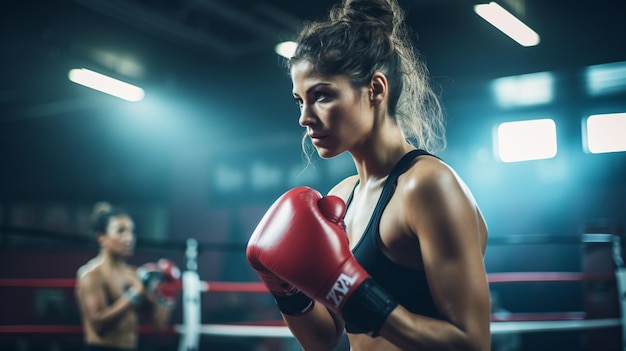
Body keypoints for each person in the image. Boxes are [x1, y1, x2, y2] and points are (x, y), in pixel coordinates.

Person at [246, 0, 491, 350]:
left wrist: (362, 299)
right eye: (299, 100)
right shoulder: (342, 196)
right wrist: (287, 292)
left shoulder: (427, 186)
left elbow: (473, 343)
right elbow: (325, 338)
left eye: (322, 96)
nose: (305, 117)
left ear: (376, 89)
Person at [75, 202, 180, 351]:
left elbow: (157, 324)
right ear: (101, 238)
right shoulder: (91, 275)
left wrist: (167, 294)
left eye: (131, 231)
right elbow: (98, 326)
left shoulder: (134, 275)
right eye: (121, 231)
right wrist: (133, 295)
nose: (129, 238)